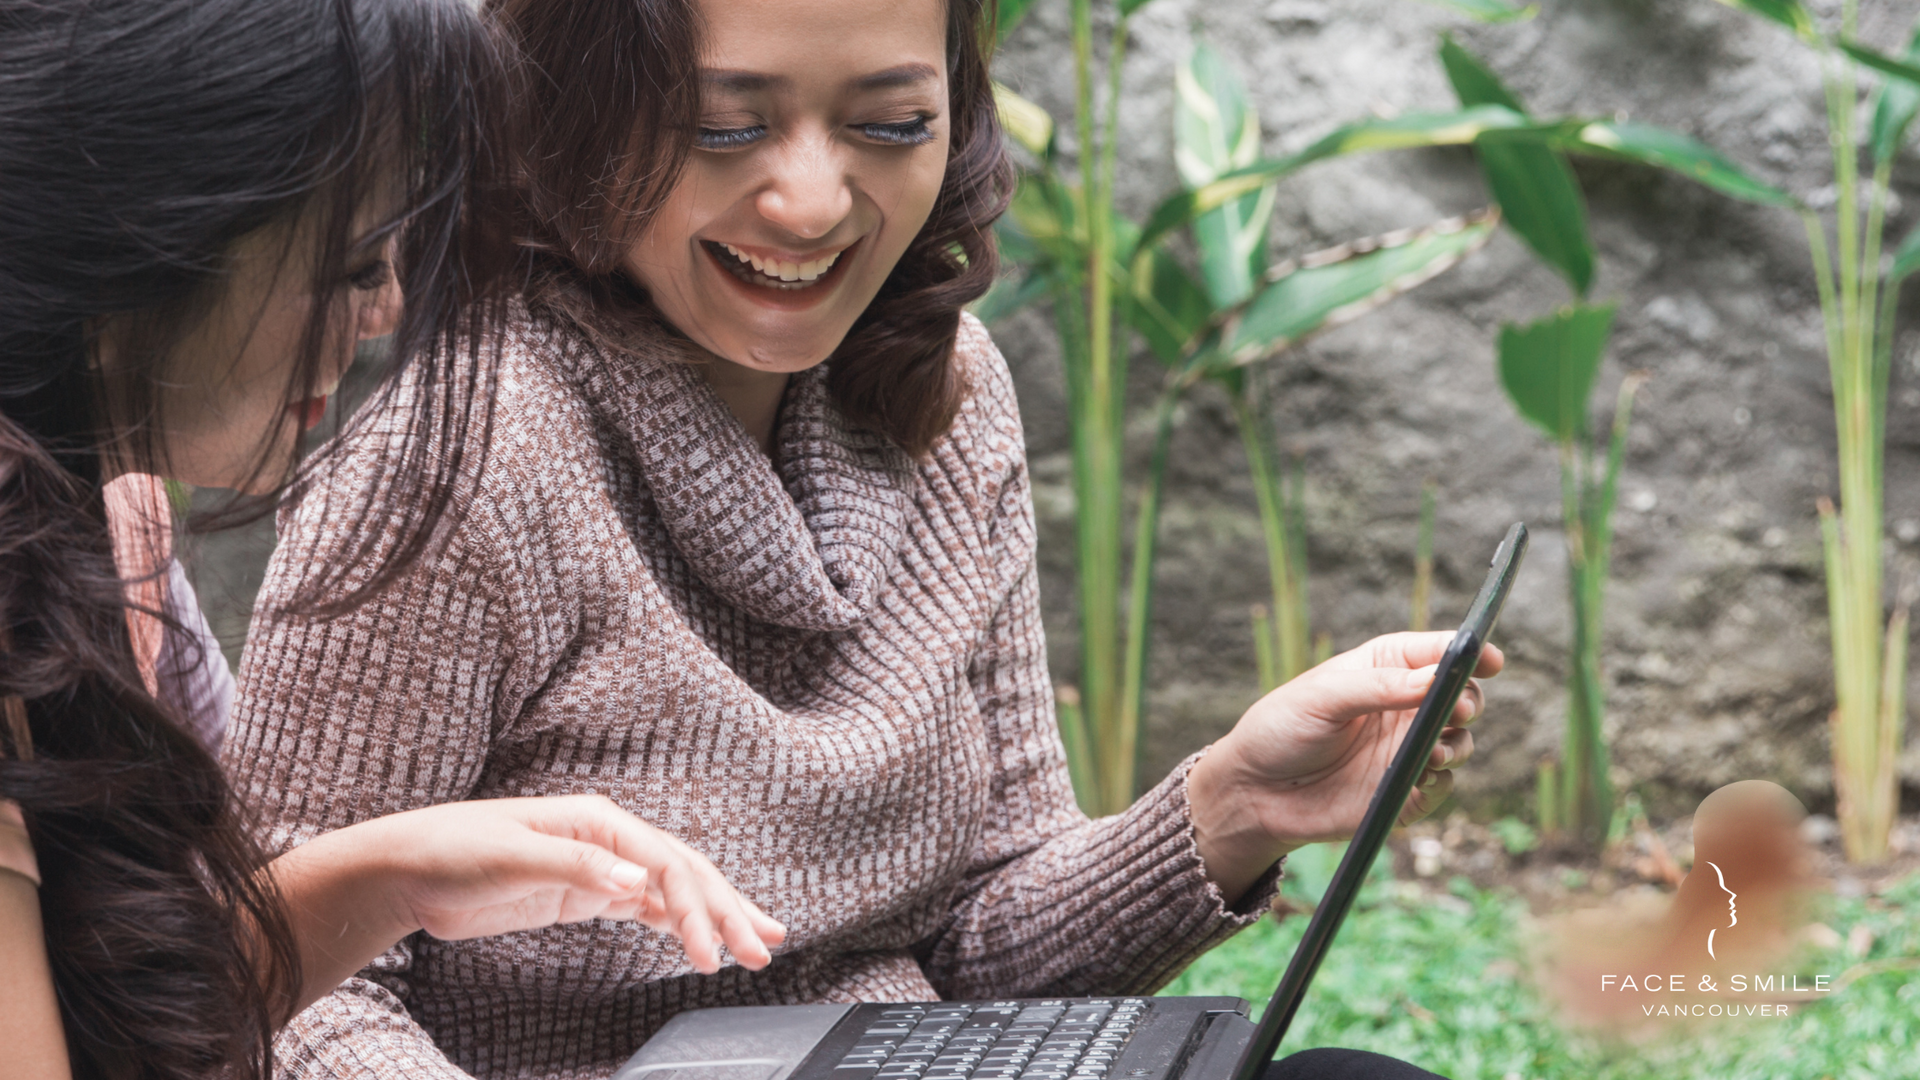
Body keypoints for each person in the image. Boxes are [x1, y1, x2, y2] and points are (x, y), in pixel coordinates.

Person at [224, 0, 1498, 1078]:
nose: (812, 200)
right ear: (570, 116)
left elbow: (977, 958)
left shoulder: (948, 393)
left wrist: (1235, 803)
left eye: (891, 124)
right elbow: (272, 996)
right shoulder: (455, 465)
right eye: (726, 126)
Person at [0, 2, 783, 1079]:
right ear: (143, 234)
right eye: (354, 262)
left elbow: (117, 1025)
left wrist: (389, 878)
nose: (386, 311)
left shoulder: (109, 518)